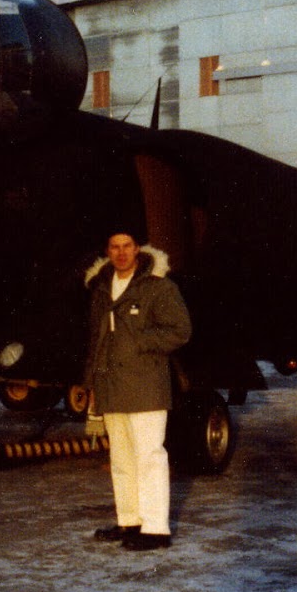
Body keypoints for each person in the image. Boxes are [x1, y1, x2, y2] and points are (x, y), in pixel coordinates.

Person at [82, 230, 192, 551]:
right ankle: (129, 520)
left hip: (145, 385)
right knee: (121, 458)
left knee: (150, 456)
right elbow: (95, 341)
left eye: (126, 246)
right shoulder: (101, 289)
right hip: (111, 385)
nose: (121, 253)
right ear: (108, 250)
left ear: (137, 249)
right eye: (114, 246)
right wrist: (90, 384)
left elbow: (181, 330)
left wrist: (140, 342)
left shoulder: (159, 286)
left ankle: (156, 528)